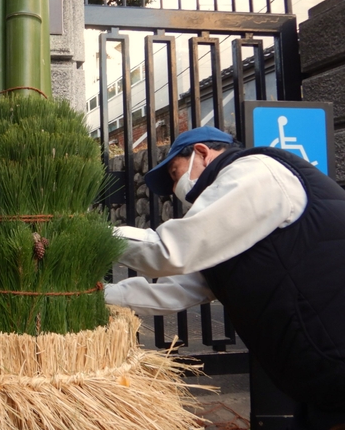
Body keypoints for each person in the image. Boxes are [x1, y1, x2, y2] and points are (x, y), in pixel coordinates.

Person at [104, 126, 345, 430]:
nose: (178, 188)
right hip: (319, 373)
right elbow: (178, 290)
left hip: (333, 355)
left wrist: (94, 237)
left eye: (176, 174)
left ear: (202, 153)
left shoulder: (256, 172)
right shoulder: (235, 224)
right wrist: (99, 294)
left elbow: (170, 251)